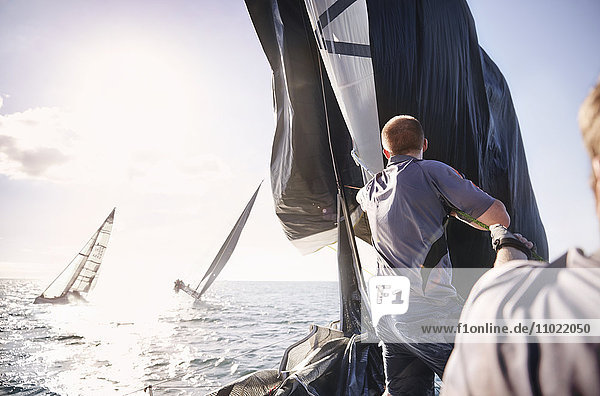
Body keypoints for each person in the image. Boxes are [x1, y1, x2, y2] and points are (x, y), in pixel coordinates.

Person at [441, 79, 600, 395]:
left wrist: (505, 242)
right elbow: (498, 216)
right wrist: (500, 229)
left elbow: (506, 286)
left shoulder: (505, 310)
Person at [356, 115, 511, 396]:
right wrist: (452, 204)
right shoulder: (433, 172)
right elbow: (499, 217)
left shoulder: (370, 190)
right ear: (424, 144)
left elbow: (366, 200)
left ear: (386, 152)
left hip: (388, 319)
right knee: (492, 386)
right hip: (430, 317)